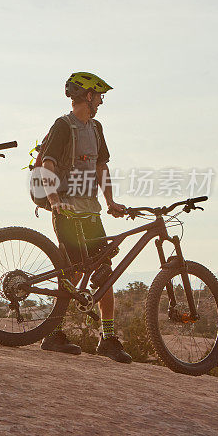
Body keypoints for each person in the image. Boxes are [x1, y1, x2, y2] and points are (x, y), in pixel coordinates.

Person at [38, 71, 132, 363]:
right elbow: (48, 164)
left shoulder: (96, 128)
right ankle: (52, 334)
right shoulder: (63, 126)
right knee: (73, 271)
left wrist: (110, 201)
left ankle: (108, 338)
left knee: (104, 271)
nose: (102, 102)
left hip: (90, 209)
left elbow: (101, 165)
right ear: (88, 96)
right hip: (65, 206)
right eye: (99, 96)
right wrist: (54, 200)